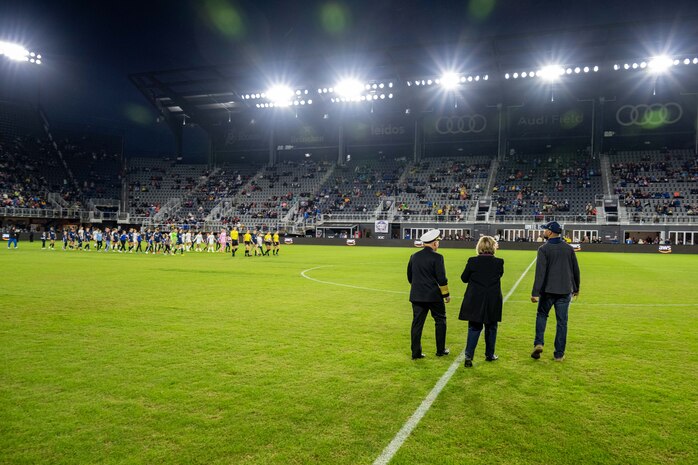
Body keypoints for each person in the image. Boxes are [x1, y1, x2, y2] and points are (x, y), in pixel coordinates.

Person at [531, 221, 581, 362]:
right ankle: (559, 354)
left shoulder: (543, 249)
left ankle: (539, 343)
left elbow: (540, 273)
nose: (544, 231)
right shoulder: (568, 248)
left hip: (547, 291)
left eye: (546, 229)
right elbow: (575, 269)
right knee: (562, 322)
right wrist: (576, 288)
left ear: (550, 232)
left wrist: (535, 292)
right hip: (565, 290)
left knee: (541, 315)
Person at [459, 236, 504, 367]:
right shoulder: (499, 262)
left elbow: (464, 278)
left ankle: (468, 356)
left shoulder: (472, 261)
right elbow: (499, 275)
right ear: (493, 247)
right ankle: (489, 355)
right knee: (491, 327)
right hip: (492, 299)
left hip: (474, 299)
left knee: (474, 327)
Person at [406, 229, 451, 359]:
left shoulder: (414, 256)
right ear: (435, 243)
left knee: (417, 324)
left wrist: (418, 287)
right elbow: (441, 278)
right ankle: (440, 350)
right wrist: (446, 294)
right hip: (433, 296)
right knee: (440, 320)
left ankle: (416, 353)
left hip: (417, 295)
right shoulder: (438, 257)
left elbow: (410, 277)